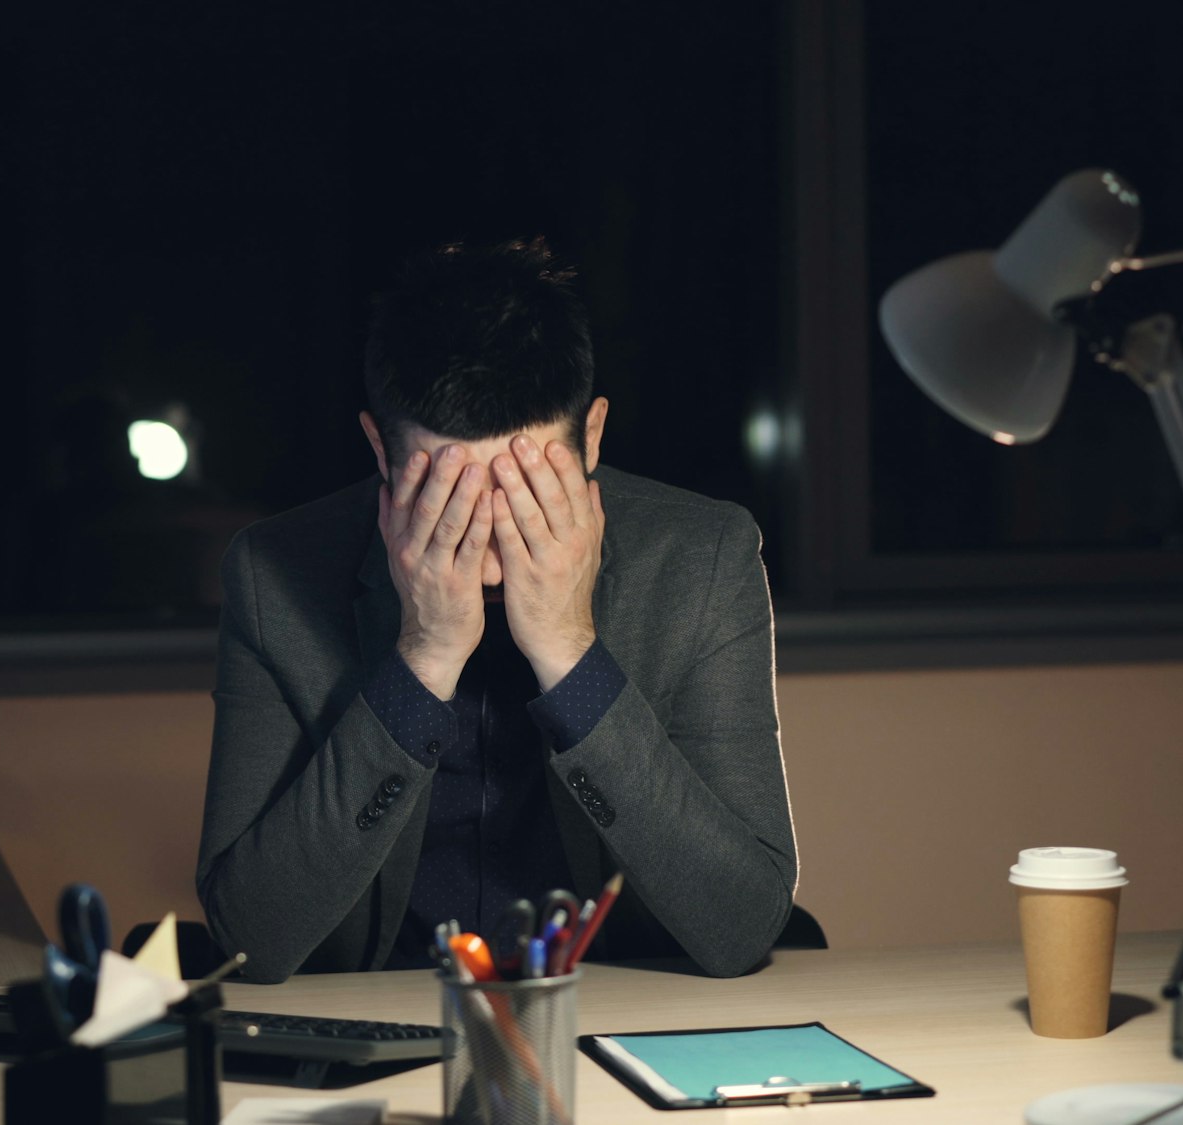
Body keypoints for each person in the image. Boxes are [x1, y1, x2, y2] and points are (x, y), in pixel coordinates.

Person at [196, 238, 796, 983]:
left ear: (594, 437)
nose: (487, 534)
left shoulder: (703, 557)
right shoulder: (273, 574)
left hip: (624, 1008)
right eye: (445, 493)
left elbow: (742, 924)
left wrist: (570, 652)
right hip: (385, 1014)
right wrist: (422, 657)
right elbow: (251, 937)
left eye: (526, 489)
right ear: (379, 450)